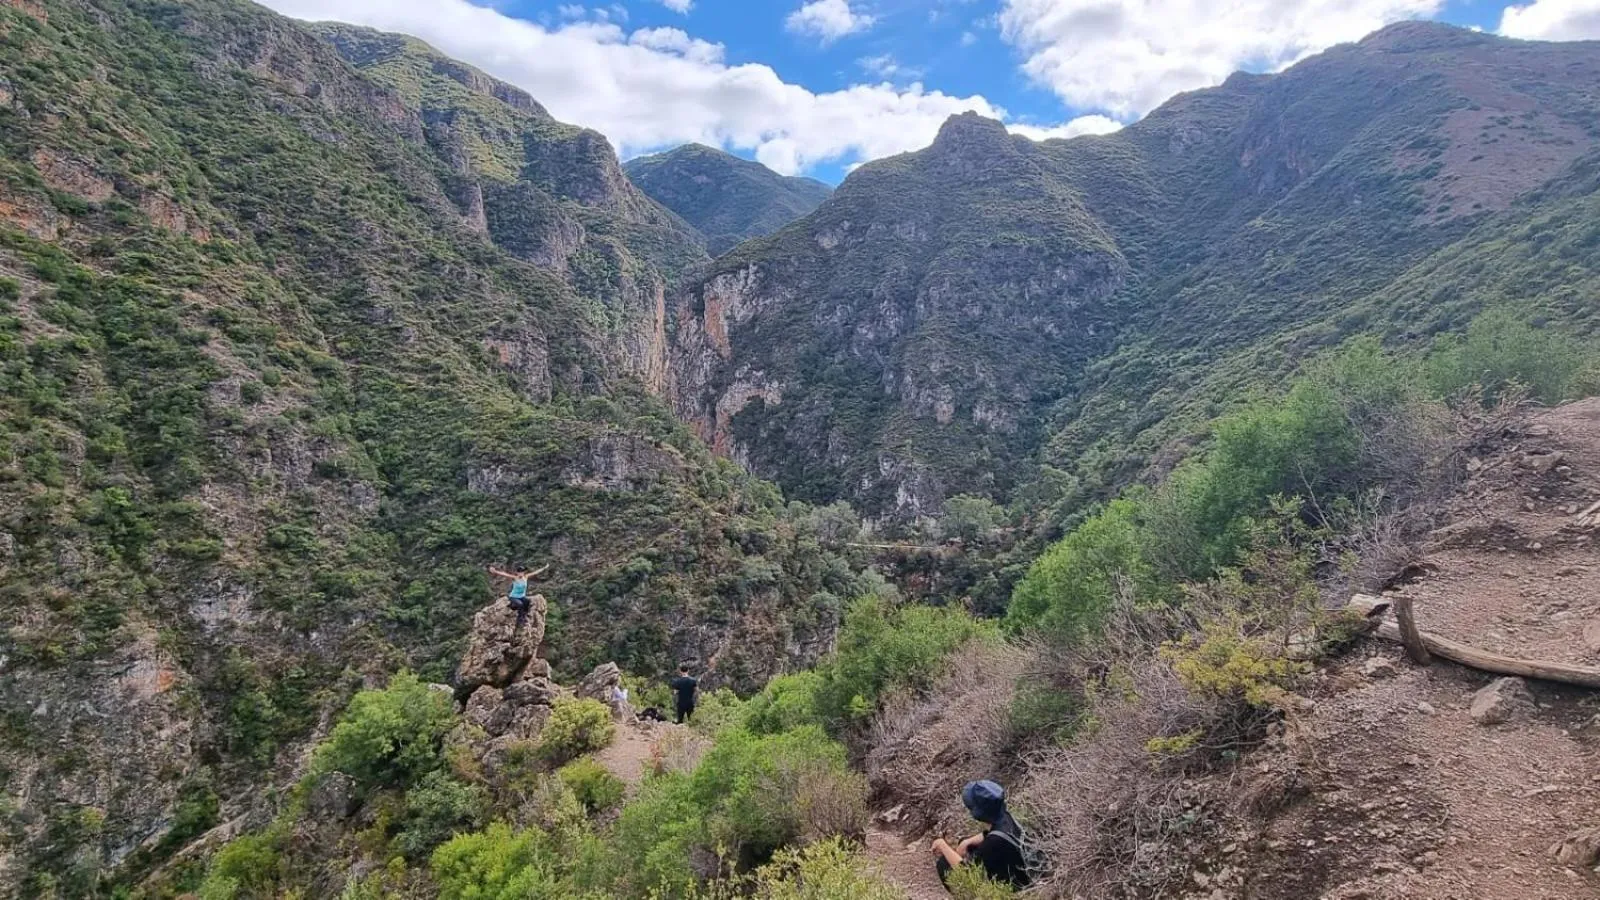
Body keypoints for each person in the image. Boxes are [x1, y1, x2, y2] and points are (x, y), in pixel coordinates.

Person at [931, 780, 1030, 892]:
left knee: (944, 864)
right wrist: (966, 842)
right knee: (968, 845)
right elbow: (994, 834)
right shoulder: (1006, 817)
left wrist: (942, 845)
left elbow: (966, 872)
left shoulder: (992, 843)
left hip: (1013, 887)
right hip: (1017, 868)